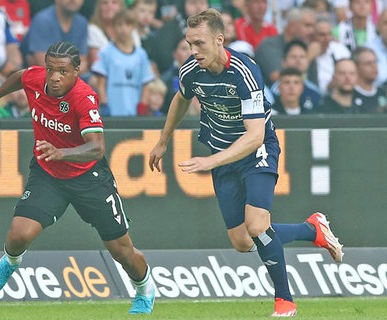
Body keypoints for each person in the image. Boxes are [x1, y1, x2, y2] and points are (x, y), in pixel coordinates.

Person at [148, 9, 343, 317]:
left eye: (199, 43)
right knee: (241, 242)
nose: (193, 50)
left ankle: (285, 301)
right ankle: (312, 229)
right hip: (224, 156)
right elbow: (181, 98)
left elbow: (253, 136)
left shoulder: (244, 71)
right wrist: (162, 140)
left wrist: (211, 160)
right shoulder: (190, 71)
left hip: (257, 150)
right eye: (189, 44)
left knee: (256, 224)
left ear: (219, 40)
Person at [0, 41, 156, 314]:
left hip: (89, 177)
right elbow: (21, 77)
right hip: (49, 173)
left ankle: (145, 290)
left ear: (76, 71)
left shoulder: (84, 97)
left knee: (121, 251)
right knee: (19, 233)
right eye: (50, 69)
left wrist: (63, 152)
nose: (54, 77)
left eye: (62, 71)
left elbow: (97, 147)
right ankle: (10, 262)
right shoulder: (36, 78)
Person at [91, 9, 155, 116]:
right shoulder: (106, 52)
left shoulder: (141, 54)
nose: (123, 29)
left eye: (127, 25)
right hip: (112, 110)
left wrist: (142, 105)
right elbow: (101, 83)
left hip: (134, 111)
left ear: (133, 27)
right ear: (114, 27)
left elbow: (146, 84)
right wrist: (104, 103)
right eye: (119, 25)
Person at [352, 47, 387, 113]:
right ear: (355, 67)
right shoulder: (349, 94)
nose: (374, 66)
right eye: (368, 63)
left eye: (375, 62)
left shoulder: (384, 92)